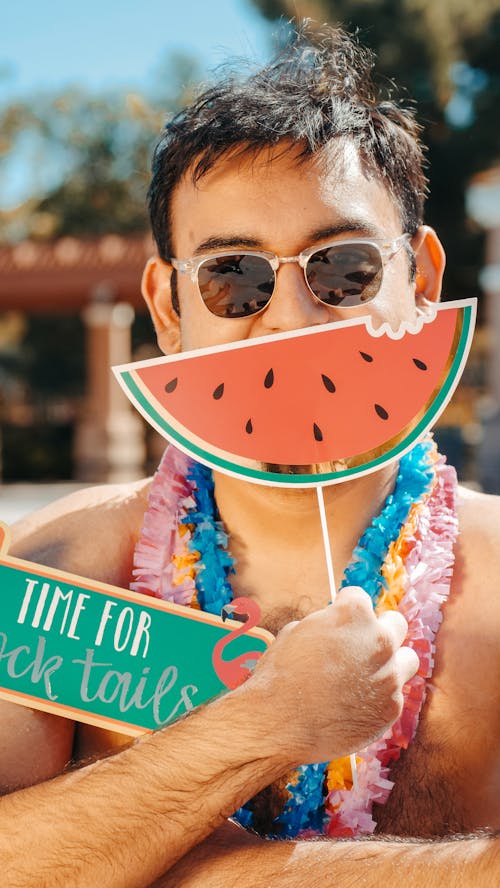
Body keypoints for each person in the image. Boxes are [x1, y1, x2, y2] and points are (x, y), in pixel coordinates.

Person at [1, 23, 499, 888]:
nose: (291, 320)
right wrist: (268, 723)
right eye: (234, 276)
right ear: (166, 308)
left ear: (418, 280)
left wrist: (196, 869)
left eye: (342, 268)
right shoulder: (58, 568)